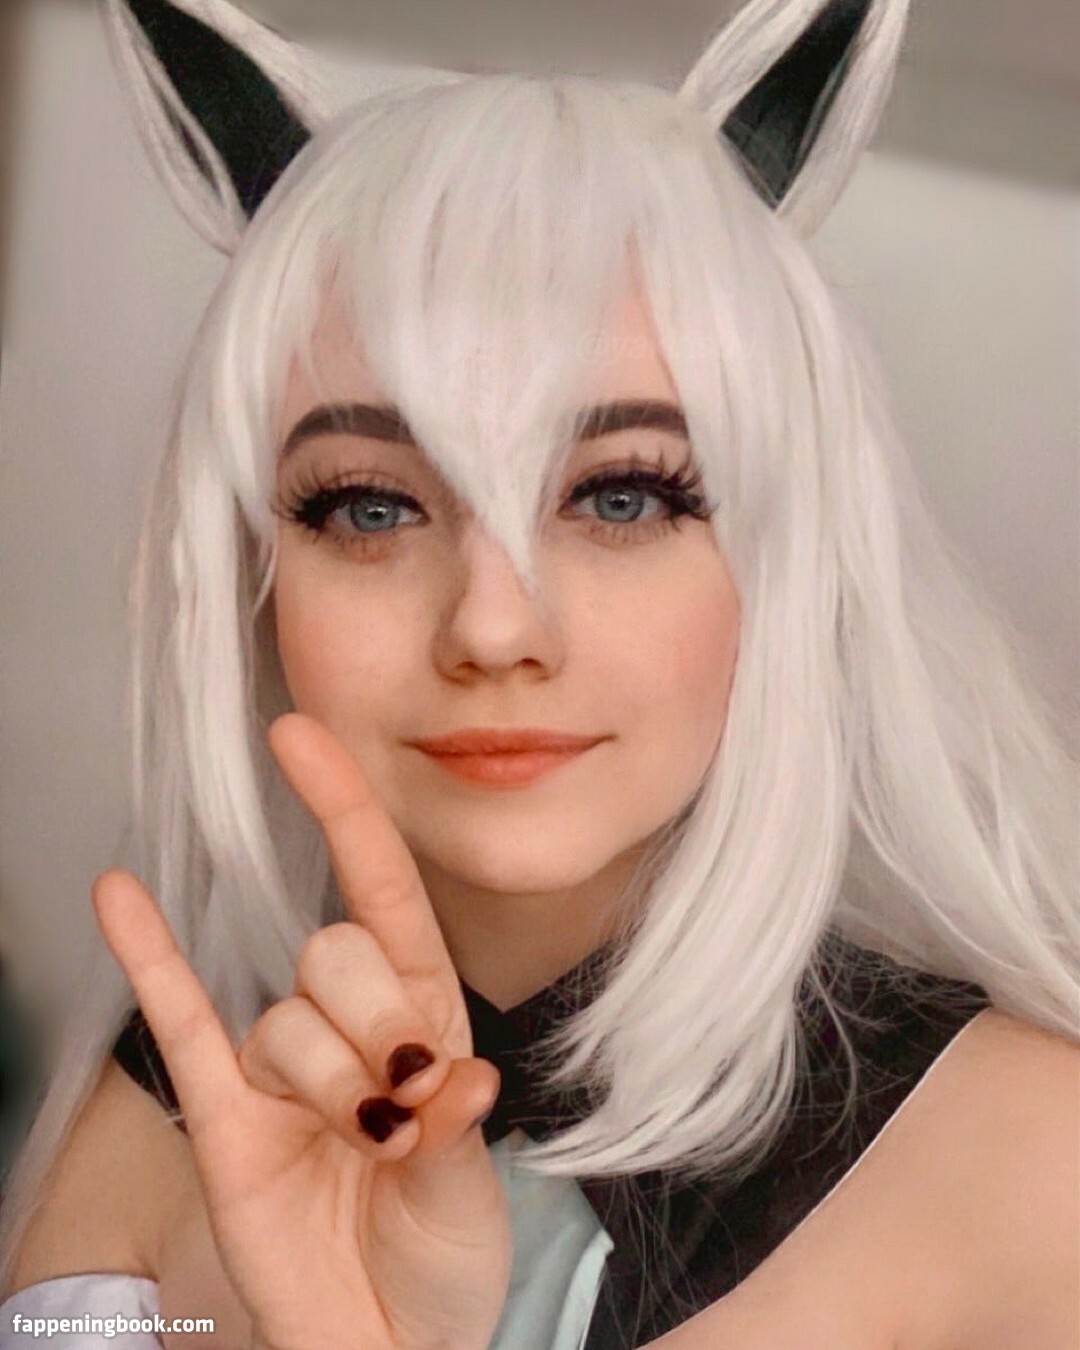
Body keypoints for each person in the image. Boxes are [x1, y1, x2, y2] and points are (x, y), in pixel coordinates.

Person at [2, 0, 1078, 1346]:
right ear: (254, 576)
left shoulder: (1041, 1171)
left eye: (624, 495)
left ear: (789, 558)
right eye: (369, 506)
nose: (494, 626)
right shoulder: (152, 1136)